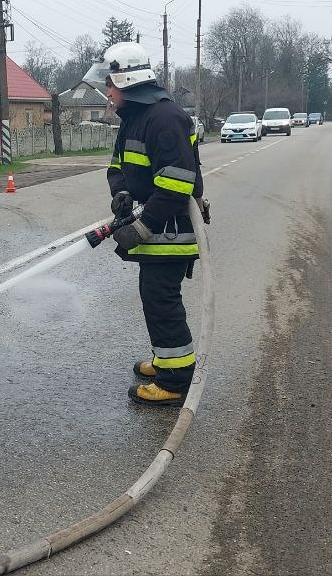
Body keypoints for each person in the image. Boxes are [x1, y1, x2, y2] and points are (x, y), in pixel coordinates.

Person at [98, 42, 205, 407]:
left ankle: (175, 381)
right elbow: (117, 166)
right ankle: (165, 360)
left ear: (126, 81)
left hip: (170, 229)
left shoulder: (164, 118)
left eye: (109, 84)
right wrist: (121, 194)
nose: (107, 92)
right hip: (154, 223)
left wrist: (143, 228)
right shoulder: (134, 118)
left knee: (162, 300)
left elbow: (177, 182)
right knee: (153, 297)